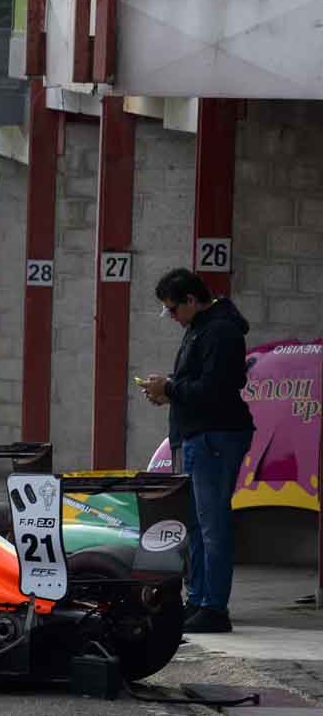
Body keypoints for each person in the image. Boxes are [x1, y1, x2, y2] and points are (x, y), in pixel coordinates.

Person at [139, 268, 254, 634]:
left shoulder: (220, 331)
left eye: (173, 309)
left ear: (191, 300)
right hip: (197, 436)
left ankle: (215, 607)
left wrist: (171, 389)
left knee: (213, 525)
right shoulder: (201, 327)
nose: (171, 317)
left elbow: (215, 389)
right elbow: (197, 385)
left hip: (215, 438)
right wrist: (167, 392)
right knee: (197, 525)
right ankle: (199, 600)